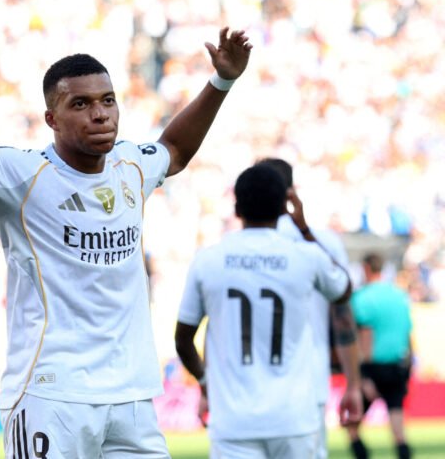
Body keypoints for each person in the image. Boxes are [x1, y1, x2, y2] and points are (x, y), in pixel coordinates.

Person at [0, 0, 251, 458]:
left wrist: (221, 82)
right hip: (51, 395)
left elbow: (176, 149)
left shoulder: (131, 166)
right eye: (80, 104)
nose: (100, 114)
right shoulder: (19, 175)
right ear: (51, 119)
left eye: (108, 100)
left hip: (131, 397)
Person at [175, 163, 362, 459]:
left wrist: (205, 382)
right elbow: (344, 290)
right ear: (285, 207)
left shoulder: (208, 260)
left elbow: (183, 339)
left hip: (234, 420)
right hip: (295, 418)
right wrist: (303, 229)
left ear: (237, 209)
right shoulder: (307, 256)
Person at [258, 156, 351, 459]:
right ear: (291, 192)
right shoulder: (323, 243)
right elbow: (343, 309)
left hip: (252, 381)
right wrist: (353, 382)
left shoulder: (233, 248)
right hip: (308, 378)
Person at [347, 252, 414, 459]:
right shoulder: (399, 296)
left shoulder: (362, 297)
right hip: (398, 364)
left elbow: (364, 335)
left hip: (372, 366)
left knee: (351, 421)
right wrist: (409, 364)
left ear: (366, 268)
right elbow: (408, 333)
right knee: (397, 420)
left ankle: (361, 454)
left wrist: (363, 374)